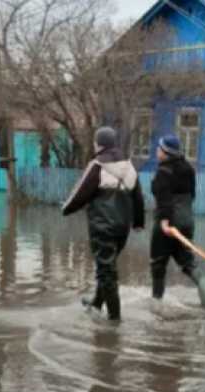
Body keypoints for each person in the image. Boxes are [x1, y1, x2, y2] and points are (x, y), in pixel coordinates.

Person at [62, 126, 145, 321]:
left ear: (99, 144)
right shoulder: (129, 167)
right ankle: (97, 304)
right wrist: (138, 222)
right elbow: (138, 197)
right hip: (121, 228)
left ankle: (115, 320)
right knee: (107, 266)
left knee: (106, 271)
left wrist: (66, 209)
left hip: (102, 226)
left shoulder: (97, 165)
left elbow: (81, 193)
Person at [149, 134, 198, 299]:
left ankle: (157, 301)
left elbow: (164, 200)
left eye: (159, 148)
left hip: (168, 224)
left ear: (166, 152)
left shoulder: (163, 172)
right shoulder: (189, 169)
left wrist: (164, 222)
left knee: (158, 264)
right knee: (188, 263)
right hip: (187, 222)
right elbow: (192, 195)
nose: (157, 150)